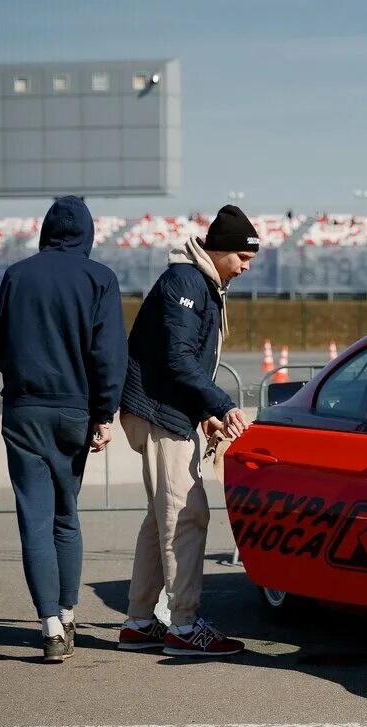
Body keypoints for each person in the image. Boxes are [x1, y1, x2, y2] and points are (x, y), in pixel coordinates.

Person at [0, 196, 126, 663]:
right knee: (66, 515)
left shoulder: (17, 274)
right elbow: (108, 356)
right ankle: (68, 614)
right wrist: (104, 414)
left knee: (34, 519)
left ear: (46, 230)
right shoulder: (100, 279)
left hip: (24, 409)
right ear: (88, 233)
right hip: (74, 411)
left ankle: (49, 624)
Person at [117, 205, 257, 656]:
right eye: (242, 257)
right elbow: (178, 359)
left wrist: (204, 413)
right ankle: (184, 626)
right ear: (217, 251)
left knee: (163, 518)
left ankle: (140, 622)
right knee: (187, 516)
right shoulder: (187, 281)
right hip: (160, 414)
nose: (246, 266)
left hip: (171, 412)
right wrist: (221, 403)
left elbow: (182, 361)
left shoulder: (202, 282)